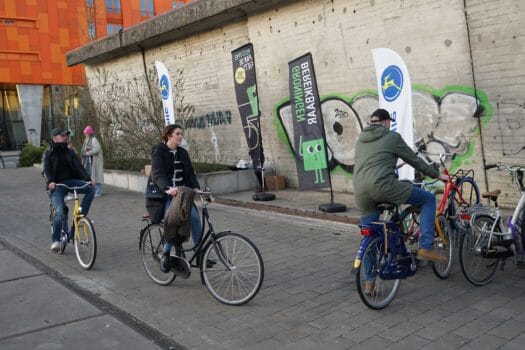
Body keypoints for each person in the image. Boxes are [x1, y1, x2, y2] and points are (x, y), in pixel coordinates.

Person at [353, 108, 449, 269]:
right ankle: (426, 247)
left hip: (360, 191)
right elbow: (414, 160)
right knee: (428, 199)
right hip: (382, 186)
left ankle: (369, 283)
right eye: (389, 123)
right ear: (385, 122)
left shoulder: (361, 139)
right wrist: (437, 175)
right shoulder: (391, 137)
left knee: (369, 235)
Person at [147, 124, 202, 273]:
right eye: (178, 133)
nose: (180, 136)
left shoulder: (182, 153)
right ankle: (165, 253)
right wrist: (168, 189)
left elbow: (190, 174)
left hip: (183, 194)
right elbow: (157, 174)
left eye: (181, 134)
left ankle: (200, 254)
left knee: (196, 219)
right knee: (174, 220)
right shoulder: (158, 151)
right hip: (165, 196)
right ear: (169, 135)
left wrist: (196, 188)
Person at [43, 128, 95, 252]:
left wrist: (88, 179)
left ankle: (80, 217)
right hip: (57, 185)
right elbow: (46, 170)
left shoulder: (70, 152)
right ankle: (55, 240)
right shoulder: (49, 153)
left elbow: (79, 167)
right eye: (62, 136)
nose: (65, 138)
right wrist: (50, 182)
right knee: (60, 212)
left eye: (66, 136)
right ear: (54, 138)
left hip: (71, 181)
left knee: (90, 189)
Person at [81, 125, 104, 197]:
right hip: (89, 161)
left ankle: (98, 191)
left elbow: (97, 149)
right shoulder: (86, 139)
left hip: (95, 161)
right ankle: (93, 191)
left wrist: (87, 153)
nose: (85, 134)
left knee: (96, 176)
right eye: (85, 133)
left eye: (86, 133)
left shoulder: (94, 139)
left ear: (89, 133)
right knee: (91, 176)